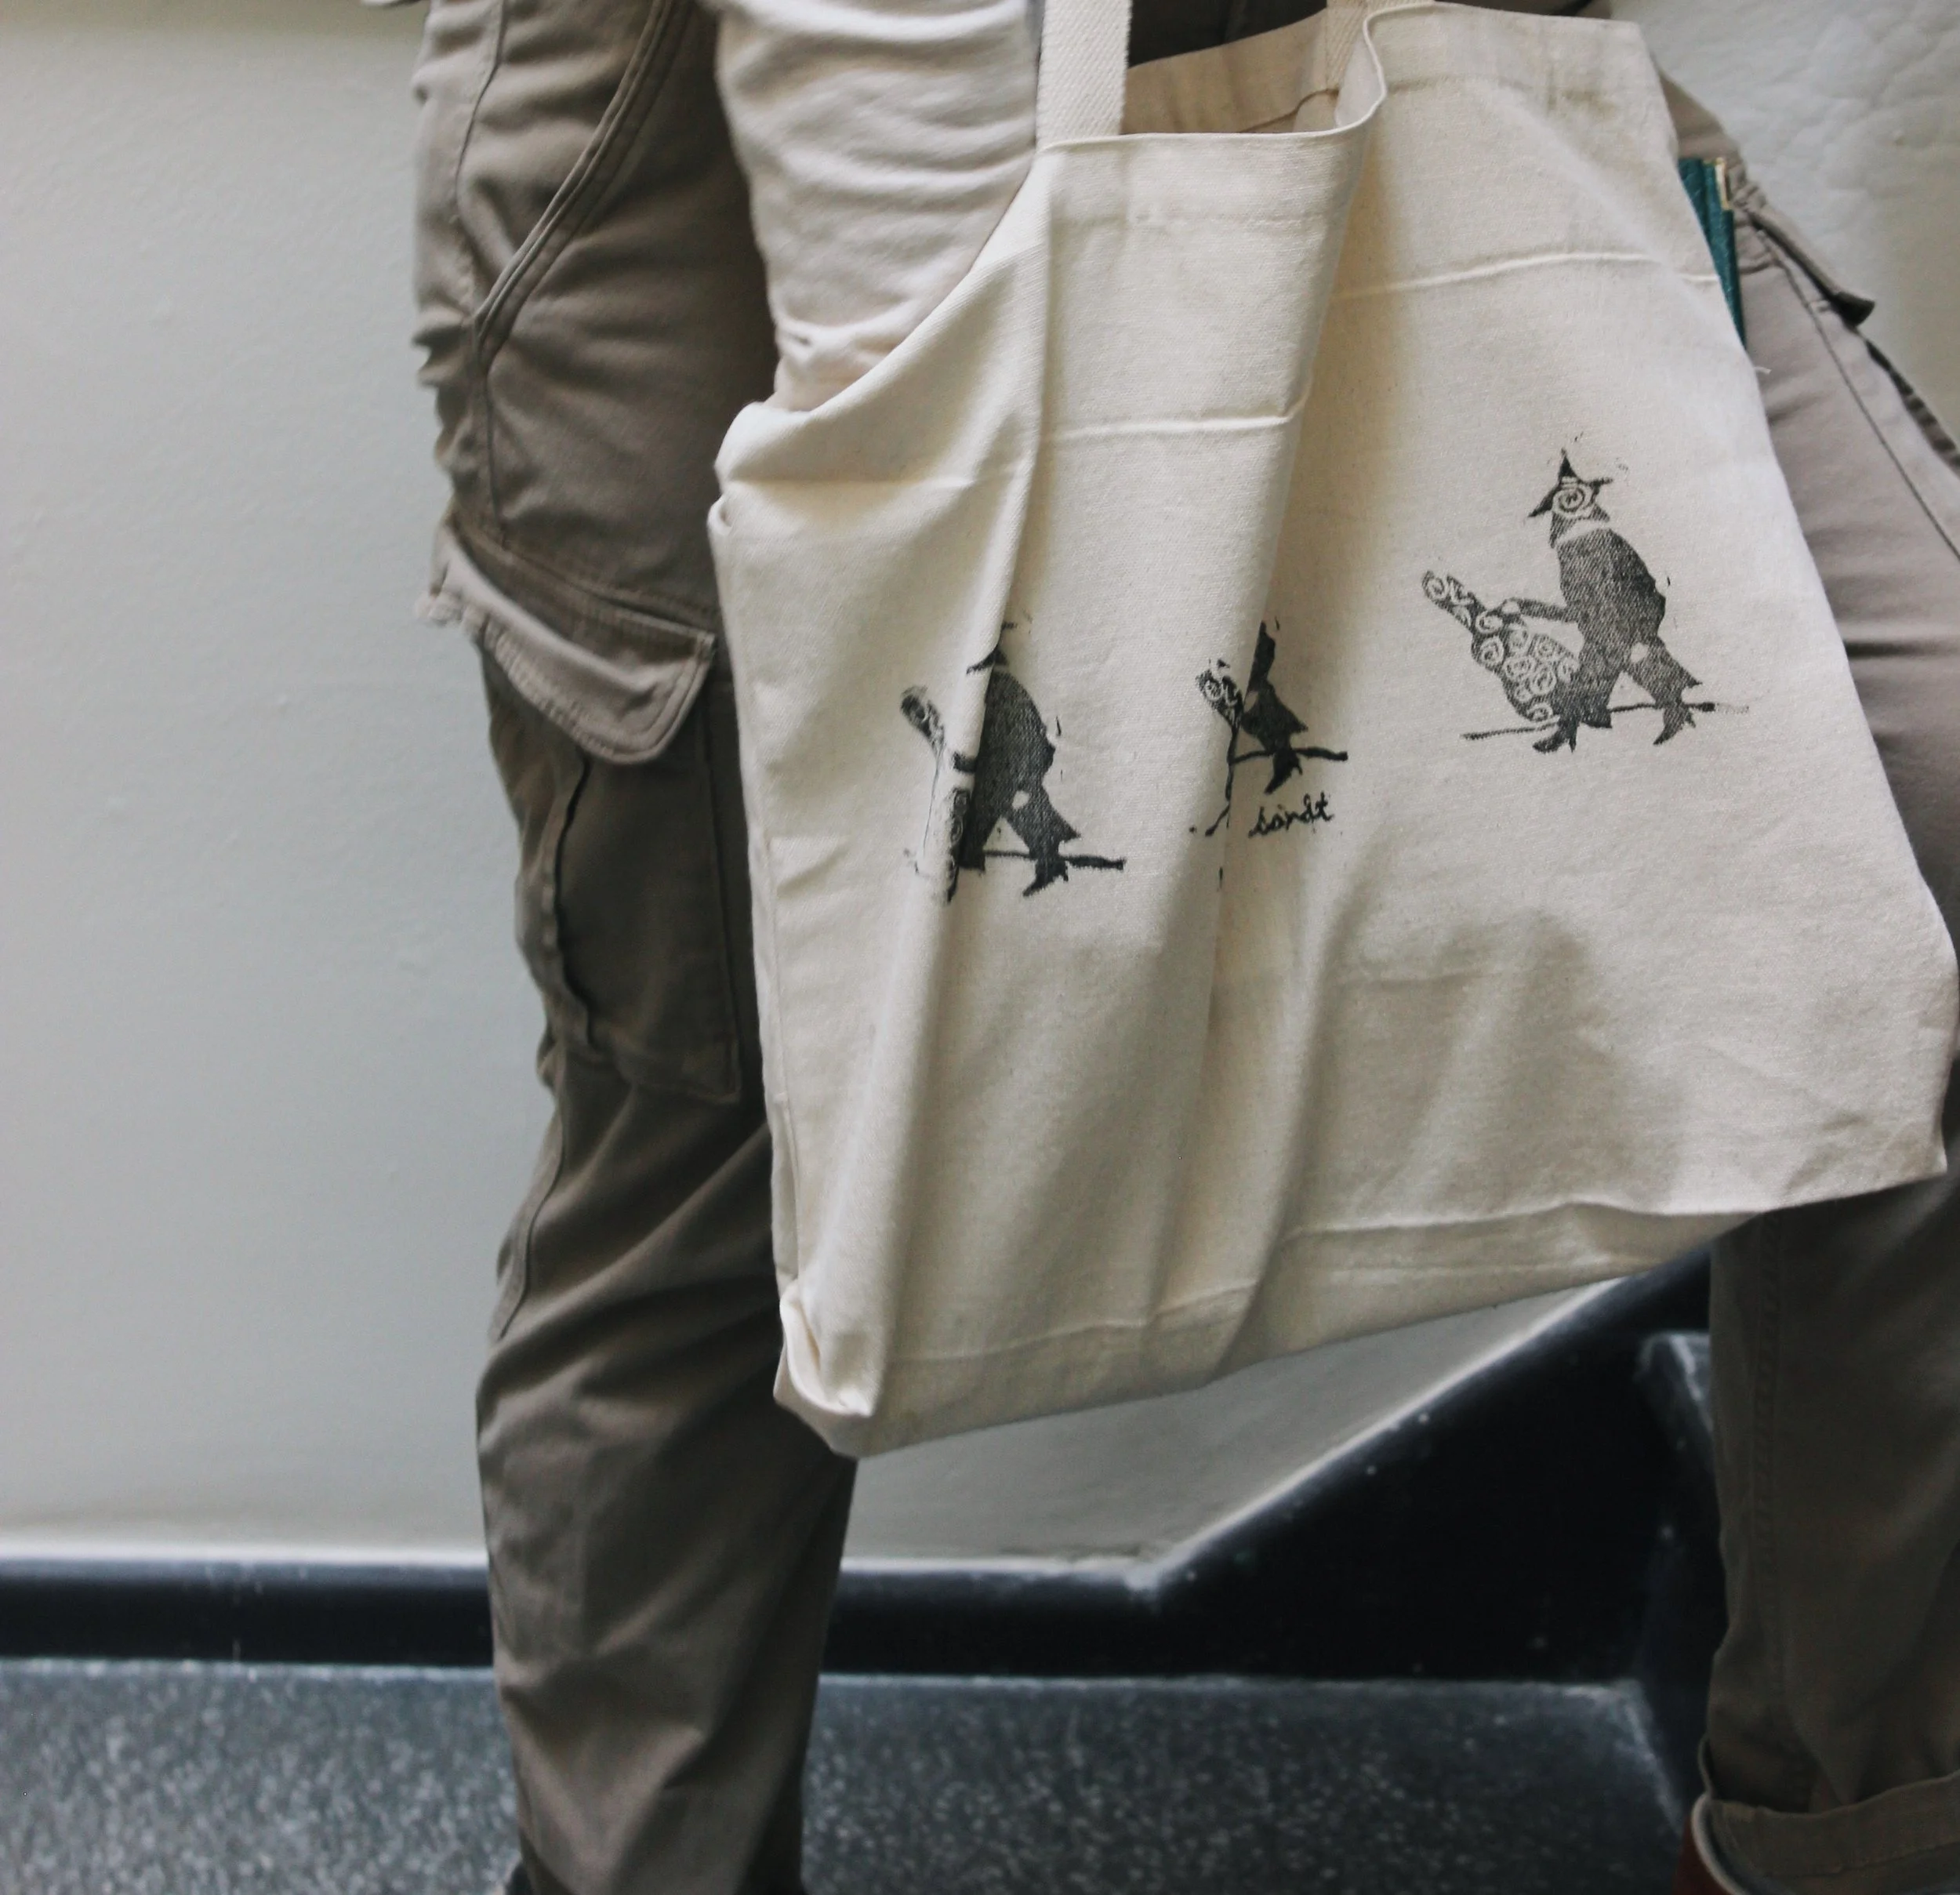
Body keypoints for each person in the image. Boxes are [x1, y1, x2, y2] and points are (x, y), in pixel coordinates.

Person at [399, 0, 1960, 1888]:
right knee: (742, 1101)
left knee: (1910, 812)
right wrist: (996, 490)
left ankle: (1840, 1833)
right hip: (744, 154)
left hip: (1408, 49)